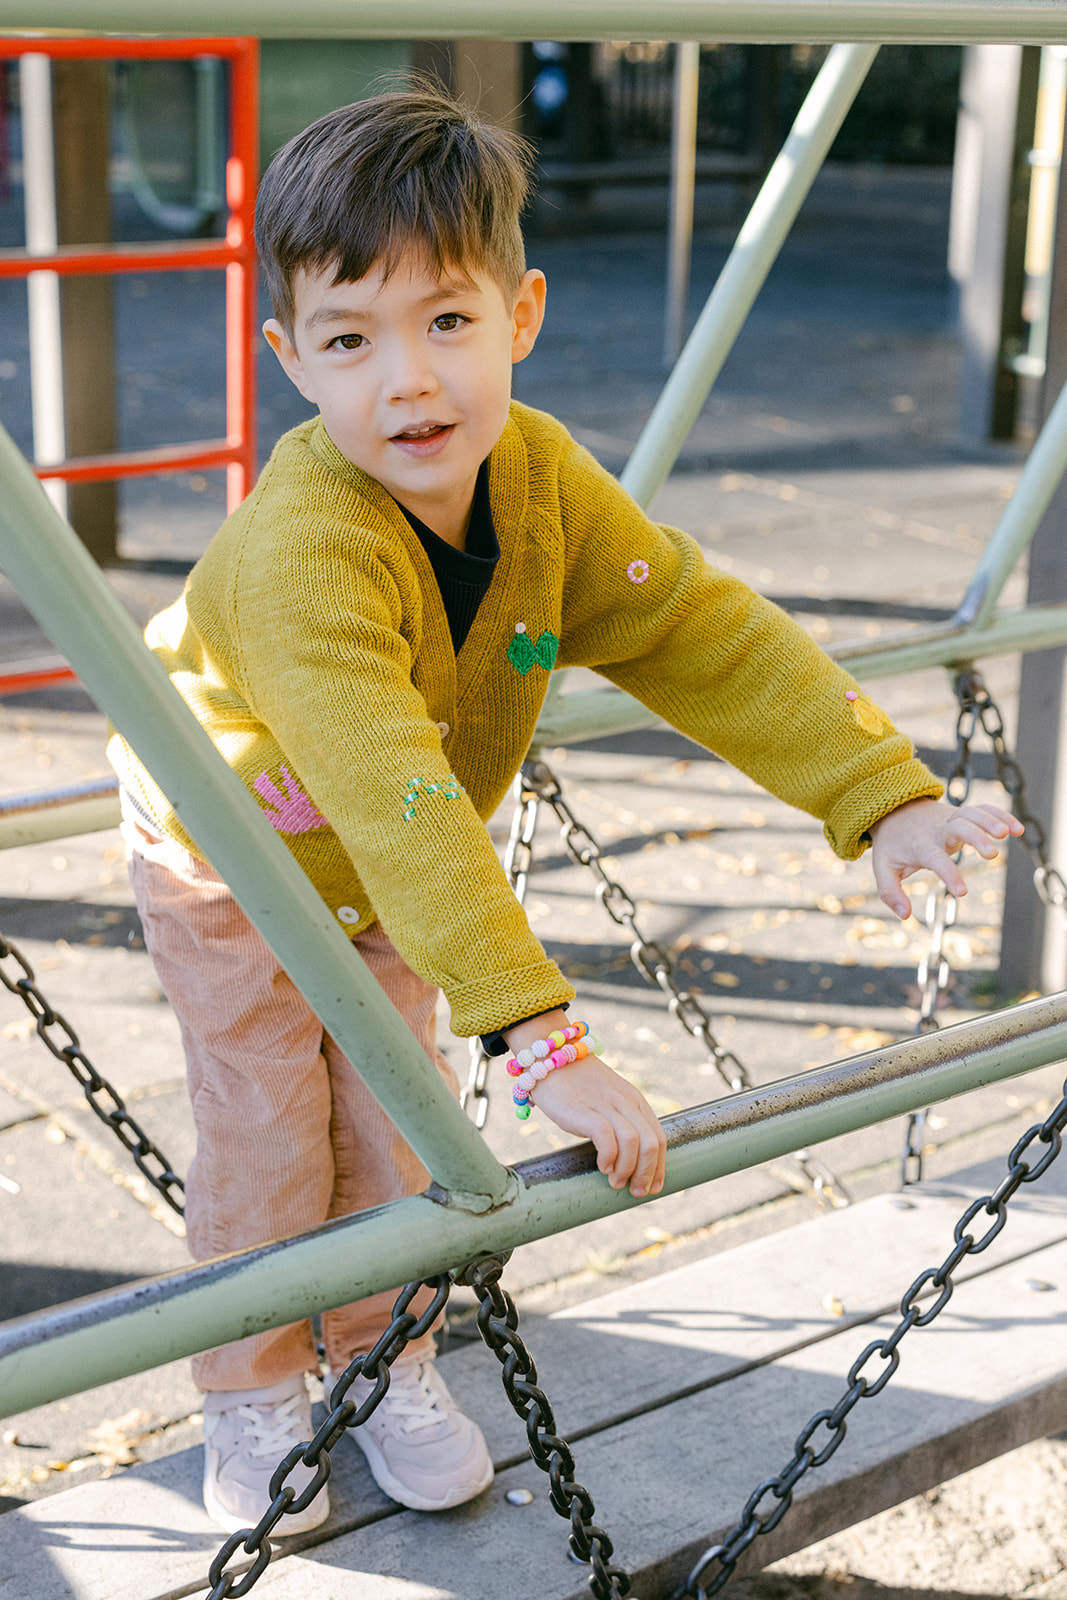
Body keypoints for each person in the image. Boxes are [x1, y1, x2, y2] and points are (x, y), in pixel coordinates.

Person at [107, 84, 1023, 1537]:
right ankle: (252, 1386)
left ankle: (386, 1355)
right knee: (269, 1126)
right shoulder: (306, 554)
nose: (407, 382)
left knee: (395, 1119)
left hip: (393, 857)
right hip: (240, 855)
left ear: (522, 315)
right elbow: (399, 794)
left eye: (447, 322)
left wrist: (878, 792)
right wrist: (546, 1047)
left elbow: (699, 629)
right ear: (290, 360)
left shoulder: (537, 481)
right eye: (351, 341)